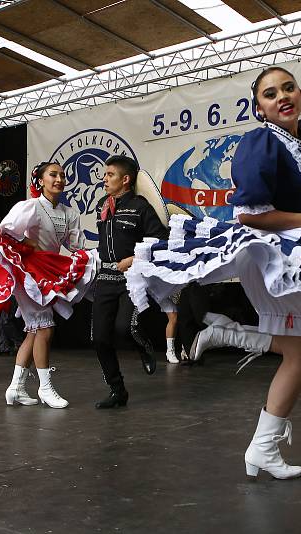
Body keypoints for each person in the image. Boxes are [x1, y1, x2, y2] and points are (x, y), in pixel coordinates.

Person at [126, 67, 301, 479]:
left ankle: (222, 334)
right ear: (260, 108)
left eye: (288, 88)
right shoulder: (260, 143)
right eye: (270, 94)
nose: (282, 97)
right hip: (272, 256)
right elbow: (253, 216)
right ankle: (262, 449)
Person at [0, 162, 95, 407]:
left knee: (34, 330)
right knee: (45, 328)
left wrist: (88, 258)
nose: (58, 179)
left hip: (48, 271)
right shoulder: (31, 206)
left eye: (61, 175)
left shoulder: (70, 213)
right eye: (53, 174)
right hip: (27, 271)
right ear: (41, 180)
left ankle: (15, 388)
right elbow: (5, 232)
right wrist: (28, 245)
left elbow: (76, 246)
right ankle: (45, 388)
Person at [91, 155, 169, 409]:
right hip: (105, 278)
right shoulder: (102, 205)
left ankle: (144, 345)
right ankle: (117, 390)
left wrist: (134, 258)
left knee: (125, 329)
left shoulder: (141, 207)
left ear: (125, 179)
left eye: (110, 174)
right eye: (105, 174)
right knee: (100, 338)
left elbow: (160, 241)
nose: (104, 179)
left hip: (130, 278)